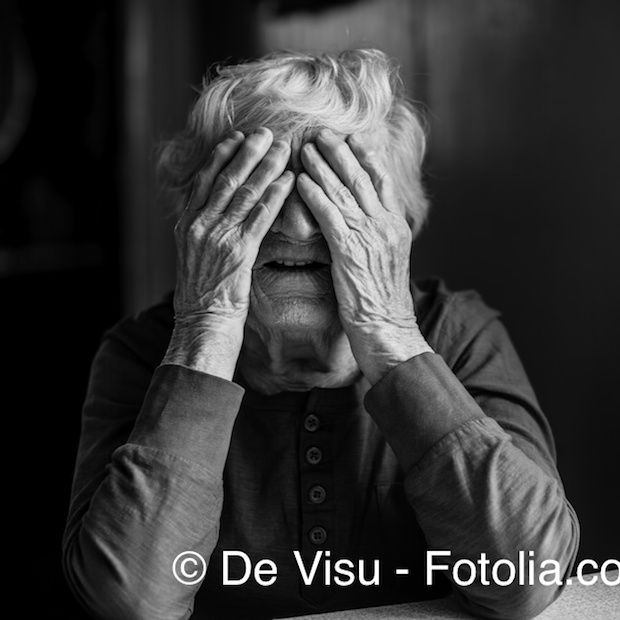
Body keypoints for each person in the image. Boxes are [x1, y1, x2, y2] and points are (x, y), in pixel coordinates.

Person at [62, 48, 579, 620]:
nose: (300, 225)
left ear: (400, 222)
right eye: (264, 187)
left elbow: (526, 579)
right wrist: (205, 329)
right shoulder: (142, 353)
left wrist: (389, 334)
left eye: (335, 191)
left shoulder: (455, 333)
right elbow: (133, 600)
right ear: (200, 220)